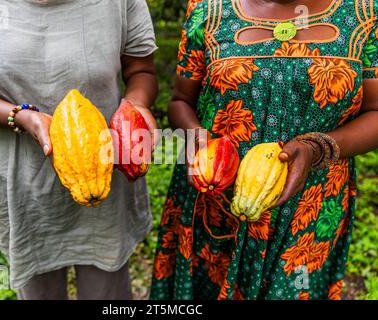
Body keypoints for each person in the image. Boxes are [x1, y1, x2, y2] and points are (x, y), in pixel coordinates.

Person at [0, 0, 158, 300]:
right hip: (22, 184)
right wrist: (21, 116)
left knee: (108, 293)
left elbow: (141, 69)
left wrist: (136, 106)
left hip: (105, 174)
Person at [151, 0, 378, 300]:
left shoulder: (364, 15)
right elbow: (180, 101)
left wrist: (316, 148)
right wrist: (197, 138)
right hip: (216, 202)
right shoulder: (208, 10)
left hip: (307, 217)